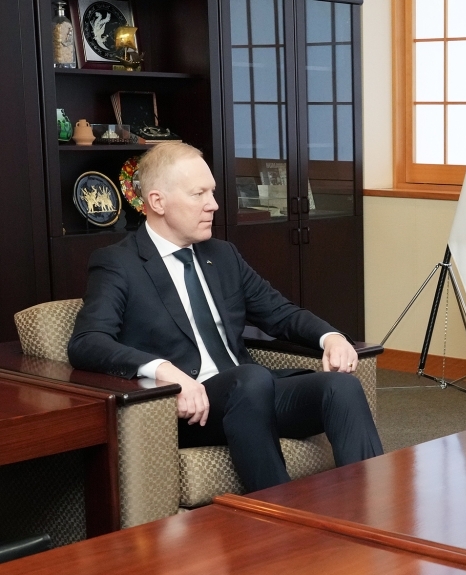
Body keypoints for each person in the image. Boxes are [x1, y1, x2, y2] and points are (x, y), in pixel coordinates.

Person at [68, 142, 383, 492]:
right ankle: (279, 519)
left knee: (340, 387)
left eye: (212, 192)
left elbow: (278, 312)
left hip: (254, 394)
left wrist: (332, 337)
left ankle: (369, 515)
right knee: (249, 379)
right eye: (198, 194)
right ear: (157, 202)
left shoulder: (222, 254)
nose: (213, 205)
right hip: (193, 409)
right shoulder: (119, 263)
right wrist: (164, 371)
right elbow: (87, 342)